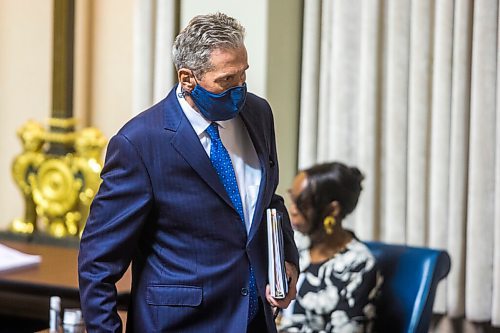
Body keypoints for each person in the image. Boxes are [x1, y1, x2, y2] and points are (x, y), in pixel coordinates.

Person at [78, 12, 299, 333]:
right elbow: (97, 263)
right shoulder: (140, 142)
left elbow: (269, 202)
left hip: (255, 321)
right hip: (178, 324)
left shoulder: (258, 113)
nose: (239, 88)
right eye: (226, 80)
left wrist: (286, 261)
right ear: (187, 78)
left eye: (243, 75)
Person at [278, 162, 382, 333]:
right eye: (293, 200)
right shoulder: (295, 243)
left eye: (302, 203)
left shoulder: (359, 265)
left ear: (332, 209)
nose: (292, 210)